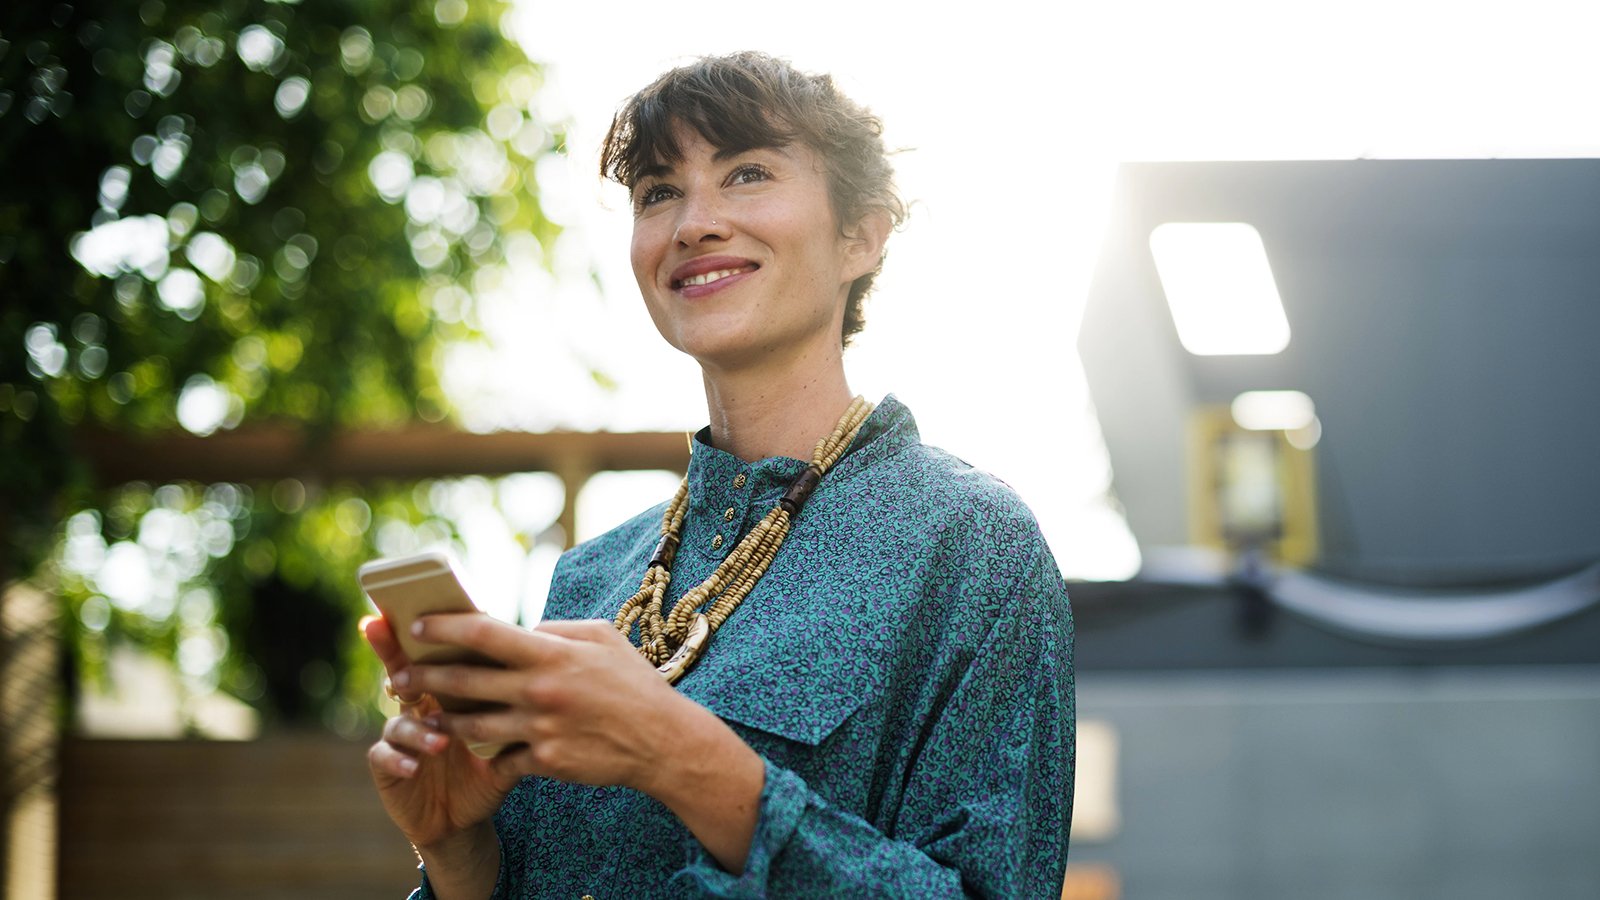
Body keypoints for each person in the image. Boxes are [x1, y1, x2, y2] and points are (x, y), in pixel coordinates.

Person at [362, 51, 1075, 898]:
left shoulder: (970, 545)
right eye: (659, 192)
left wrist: (681, 757)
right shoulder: (589, 579)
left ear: (863, 234)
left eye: (747, 174)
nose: (694, 222)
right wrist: (459, 855)